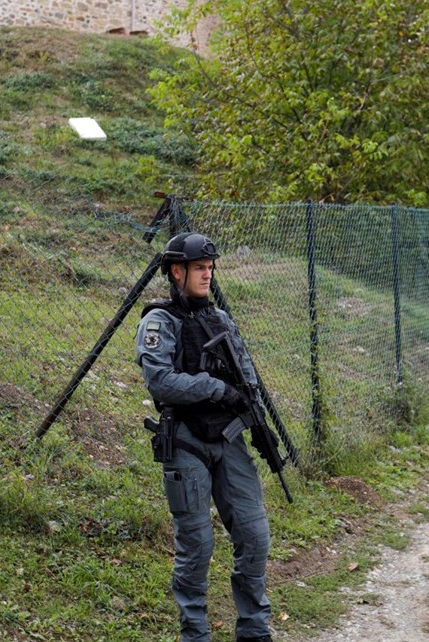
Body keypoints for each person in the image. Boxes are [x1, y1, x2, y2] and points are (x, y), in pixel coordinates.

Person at [135, 232, 273, 642]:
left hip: (228, 439)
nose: (207, 276)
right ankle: (194, 634)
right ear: (177, 272)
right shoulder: (159, 321)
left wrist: (252, 408)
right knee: (196, 547)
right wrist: (214, 388)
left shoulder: (221, 318)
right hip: (186, 443)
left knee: (254, 534)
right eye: (199, 269)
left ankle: (253, 629)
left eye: (210, 269)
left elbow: (246, 373)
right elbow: (160, 381)